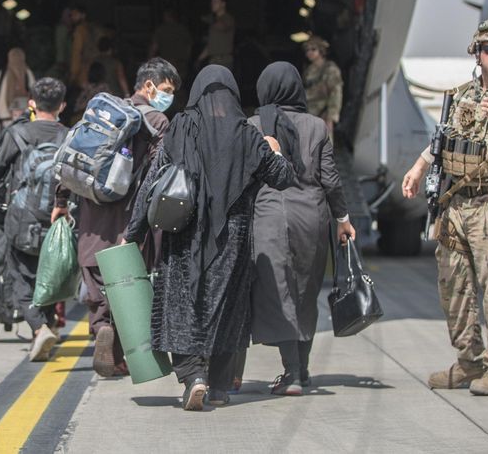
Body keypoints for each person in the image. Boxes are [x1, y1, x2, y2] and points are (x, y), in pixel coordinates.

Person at [124, 65, 291, 410]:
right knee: (226, 312)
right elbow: (283, 178)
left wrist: (134, 232)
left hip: (184, 237)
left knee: (180, 309)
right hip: (233, 239)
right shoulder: (247, 135)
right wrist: (274, 150)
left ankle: (191, 376)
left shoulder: (181, 128)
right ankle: (217, 387)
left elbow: (153, 182)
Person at [401, 19, 488, 397]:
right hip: (457, 206)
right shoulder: (464, 94)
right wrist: (419, 168)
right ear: (477, 55)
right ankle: (468, 362)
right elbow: (443, 140)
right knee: (455, 286)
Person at [52, 57, 179, 377]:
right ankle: (117, 346)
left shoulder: (103, 112)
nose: (168, 96)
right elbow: (158, 174)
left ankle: (100, 329)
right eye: (165, 89)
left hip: (92, 213)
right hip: (129, 217)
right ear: (148, 85)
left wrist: (61, 201)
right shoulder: (158, 122)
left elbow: (72, 157)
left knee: (94, 272)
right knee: (127, 280)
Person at [247, 62, 355, 396]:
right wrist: (342, 219)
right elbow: (330, 179)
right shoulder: (317, 126)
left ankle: (291, 372)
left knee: (277, 293)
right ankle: (302, 369)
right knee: (305, 293)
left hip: (269, 216)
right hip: (313, 217)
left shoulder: (253, 125)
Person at [0, 77, 69, 361]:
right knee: (50, 273)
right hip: (58, 218)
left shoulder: (17, 134)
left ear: (31, 103)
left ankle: (38, 326)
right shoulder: (69, 136)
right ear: (62, 106)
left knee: (19, 275)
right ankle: (45, 326)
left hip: (21, 217)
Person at [302, 36, 343, 137]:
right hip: (308, 113)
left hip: (323, 114)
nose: (309, 52)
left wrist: (331, 116)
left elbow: (336, 92)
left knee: (324, 147)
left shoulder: (330, 69)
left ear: (321, 50)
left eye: (313, 49)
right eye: (307, 50)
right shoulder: (309, 71)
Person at [0, 47, 37, 131]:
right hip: (23, 115)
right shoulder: (27, 73)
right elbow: (35, 92)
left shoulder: (2, 73)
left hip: (5, 115)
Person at [149, 8, 193, 78]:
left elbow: (155, 47)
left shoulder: (161, 30)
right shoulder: (182, 29)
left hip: (167, 62)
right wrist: (187, 58)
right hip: (180, 62)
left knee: (168, 83)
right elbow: (189, 46)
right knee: (179, 82)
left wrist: (150, 60)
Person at [195, 0, 235, 70]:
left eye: (215, 2)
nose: (212, 4)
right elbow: (211, 45)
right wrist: (199, 59)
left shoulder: (228, 18)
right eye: (212, 2)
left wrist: (209, 19)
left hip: (224, 61)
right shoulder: (213, 23)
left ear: (223, 4)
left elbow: (223, 26)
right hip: (213, 61)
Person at [69, 6, 98, 88]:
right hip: (96, 69)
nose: (72, 17)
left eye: (75, 14)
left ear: (83, 15)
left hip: (84, 70)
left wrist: (73, 74)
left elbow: (76, 53)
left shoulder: (79, 30)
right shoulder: (92, 28)